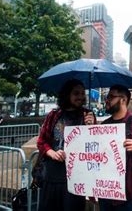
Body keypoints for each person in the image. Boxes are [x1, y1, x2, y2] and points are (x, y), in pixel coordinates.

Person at [36, 79, 96, 211]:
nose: (80, 97)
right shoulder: (53, 115)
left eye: (82, 93)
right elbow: (41, 141)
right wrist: (52, 153)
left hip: (76, 179)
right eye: (76, 93)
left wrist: (91, 127)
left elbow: (94, 147)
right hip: (51, 175)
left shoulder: (88, 115)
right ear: (67, 95)